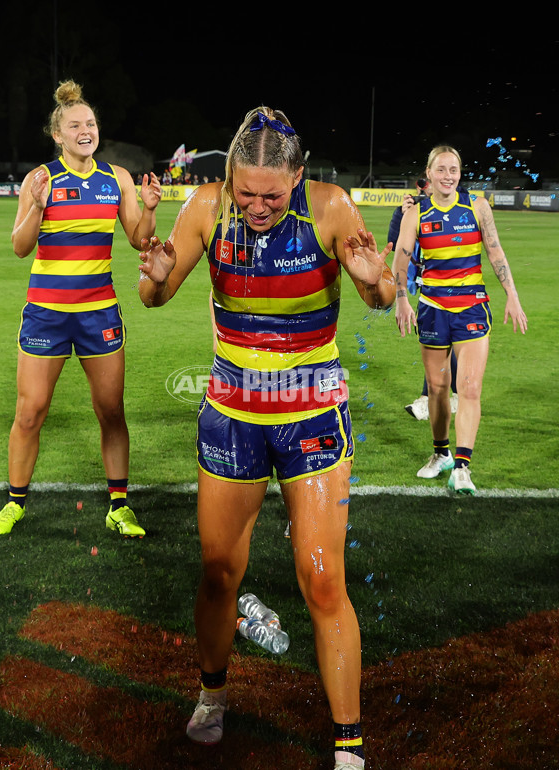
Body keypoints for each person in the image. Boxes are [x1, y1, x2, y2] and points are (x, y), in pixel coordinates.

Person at [138, 106, 395, 770]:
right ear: (229, 177)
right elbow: (154, 296)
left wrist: (375, 285)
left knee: (320, 576)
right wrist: (156, 275)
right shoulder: (204, 207)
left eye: (272, 196)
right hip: (231, 411)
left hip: (312, 412)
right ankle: (212, 695)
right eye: (245, 192)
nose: (256, 206)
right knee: (221, 571)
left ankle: (348, 740)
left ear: (298, 178)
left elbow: (383, 290)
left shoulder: (332, 208)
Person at [0, 80, 161, 537]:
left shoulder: (116, 179)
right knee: (30, 411)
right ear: (58, 136)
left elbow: (140, 241)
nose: (86, 130)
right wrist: (37, 209)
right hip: (46, 312)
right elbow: (21, 247)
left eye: (91, 123)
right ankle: (15, 502)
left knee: (111, 411)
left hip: (98, 313)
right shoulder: (40, 180)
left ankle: (119, 506)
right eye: (75, 125)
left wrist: (150, 208)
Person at [393, 145, 527, 494]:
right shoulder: (416, 213)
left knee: (469, 388)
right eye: (441, 169)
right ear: (429, 173)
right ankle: (441, 454)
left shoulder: (477, 207)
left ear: (460, 173)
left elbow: (495, 250)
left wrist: (512, 295)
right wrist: (401, 300)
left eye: (453, 169)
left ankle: (463, 467)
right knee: (437, 390)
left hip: (472, 310)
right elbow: (401, 258)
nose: (448, 175)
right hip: (433, 310)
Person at [388, 177, 458, 421]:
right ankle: (447, 394)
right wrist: (404, 216)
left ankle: (430, 398)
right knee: (440, 339)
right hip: (424, 283)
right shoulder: (409, 212)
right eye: (422, 186)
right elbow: (394, 246)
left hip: (452, 284)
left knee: (443, 339)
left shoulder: (452, 209)